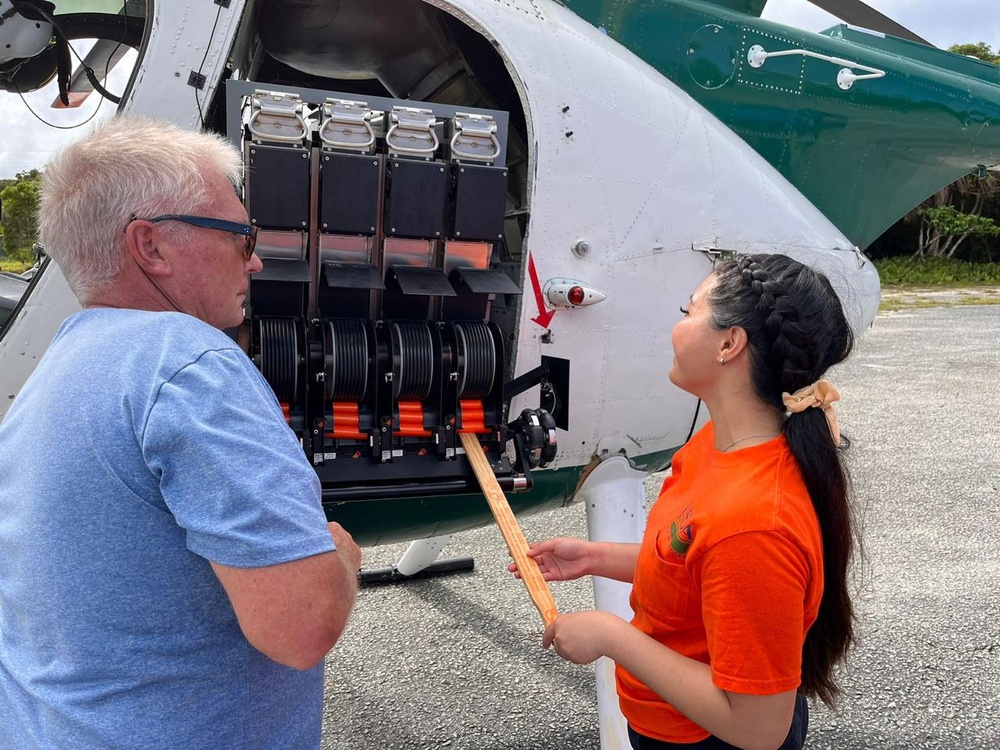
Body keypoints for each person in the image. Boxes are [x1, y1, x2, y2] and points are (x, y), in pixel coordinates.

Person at [0, 115, 361, 749]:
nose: (254, 258)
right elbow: (302, 626)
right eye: (240, 234)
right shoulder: (187, 361)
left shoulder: (59, 365)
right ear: (152, 247)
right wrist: (341, 561)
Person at [512, 253, 857, 750]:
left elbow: (758, 728)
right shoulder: (717, 443)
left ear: (729, 343)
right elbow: (692, 563)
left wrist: (612, 637)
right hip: (672, 725)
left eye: (688, 311)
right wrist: (595, 559)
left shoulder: (756, 524)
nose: (676, 327)